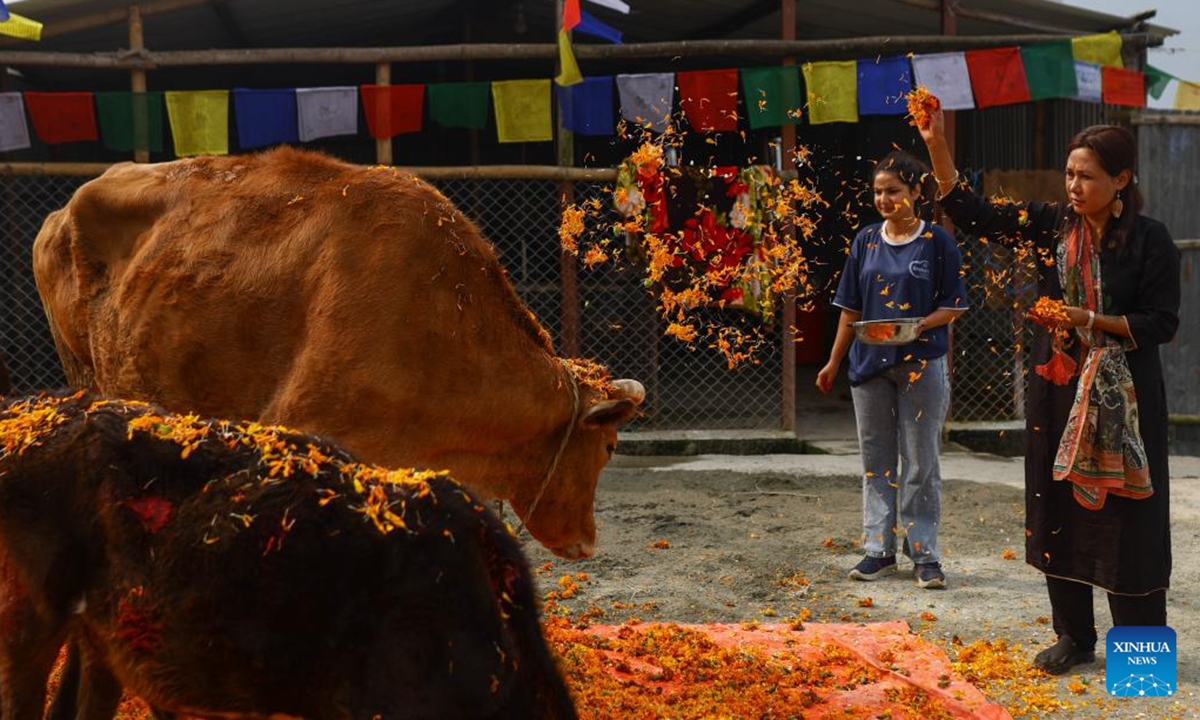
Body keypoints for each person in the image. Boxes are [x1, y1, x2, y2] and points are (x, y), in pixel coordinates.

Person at [919, 111, 1181, 674]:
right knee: (1059, 509)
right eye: (1069, 174)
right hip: (1059, 390)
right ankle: (1074, 637)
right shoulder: (1050, 225)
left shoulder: (1150, 239)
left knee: (1130, 523)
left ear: (1121, 180)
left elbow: (1161, 322)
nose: (1073, 186)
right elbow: (973, 213)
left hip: (1126, 403)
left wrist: (1089, 318)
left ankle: (1140, 662)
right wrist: (937, 144)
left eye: (1086, 176)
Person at [817, 150, 969, 590]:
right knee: (876, 460)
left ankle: (924, 553)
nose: (884, 199)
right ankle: (877, 549)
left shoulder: (937, 242)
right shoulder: (865, 240)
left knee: (921, 459)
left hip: (921, 364)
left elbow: (954, 305)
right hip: (868, 364)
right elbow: (850, 308)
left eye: (894, 191)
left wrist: (919, 325)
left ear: (917, 191)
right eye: (878, 191)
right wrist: (833, 361)